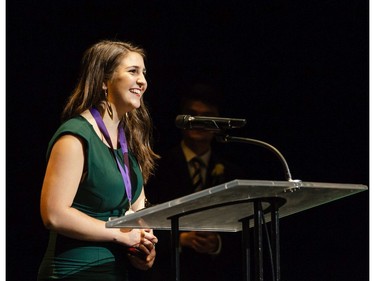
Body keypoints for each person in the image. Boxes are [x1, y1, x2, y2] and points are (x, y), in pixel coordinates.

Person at [37, 40, 159, 281]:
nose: (142, 81)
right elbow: (54, 214)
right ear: (104, 80)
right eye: (133, 71)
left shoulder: (128, 144)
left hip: (115, 272)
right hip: (74, 271)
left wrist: (144, 244)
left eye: (144, 73)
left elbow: (137, 213)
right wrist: (121, 235)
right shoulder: (75, 137)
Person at [145, 83, 244, 281]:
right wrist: (180, 239)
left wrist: (217, 243)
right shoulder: (156, 166)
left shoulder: (233, 173)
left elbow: (244, 227)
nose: (198, 122)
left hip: (217, 273)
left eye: (206, 116)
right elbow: (144, 219)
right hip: (168, 271)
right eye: (192, 115)